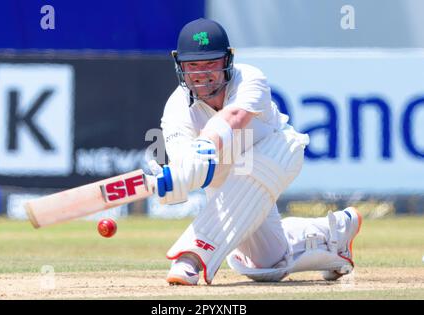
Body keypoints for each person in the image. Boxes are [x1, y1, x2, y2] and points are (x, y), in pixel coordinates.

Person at [148, 18, 362, 285]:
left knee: (245, 175)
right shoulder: (176, 108)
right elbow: (185, 163)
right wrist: (174, 180)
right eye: (193, 65)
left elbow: (234, 116)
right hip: (227, 182)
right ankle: (334, 233)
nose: (202, 73)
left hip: (278, 151)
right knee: (268, 265)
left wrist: (204, 146)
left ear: (227, 61)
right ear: (181, 66)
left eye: (210, 63)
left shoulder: (249, 78)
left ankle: (192, 255)